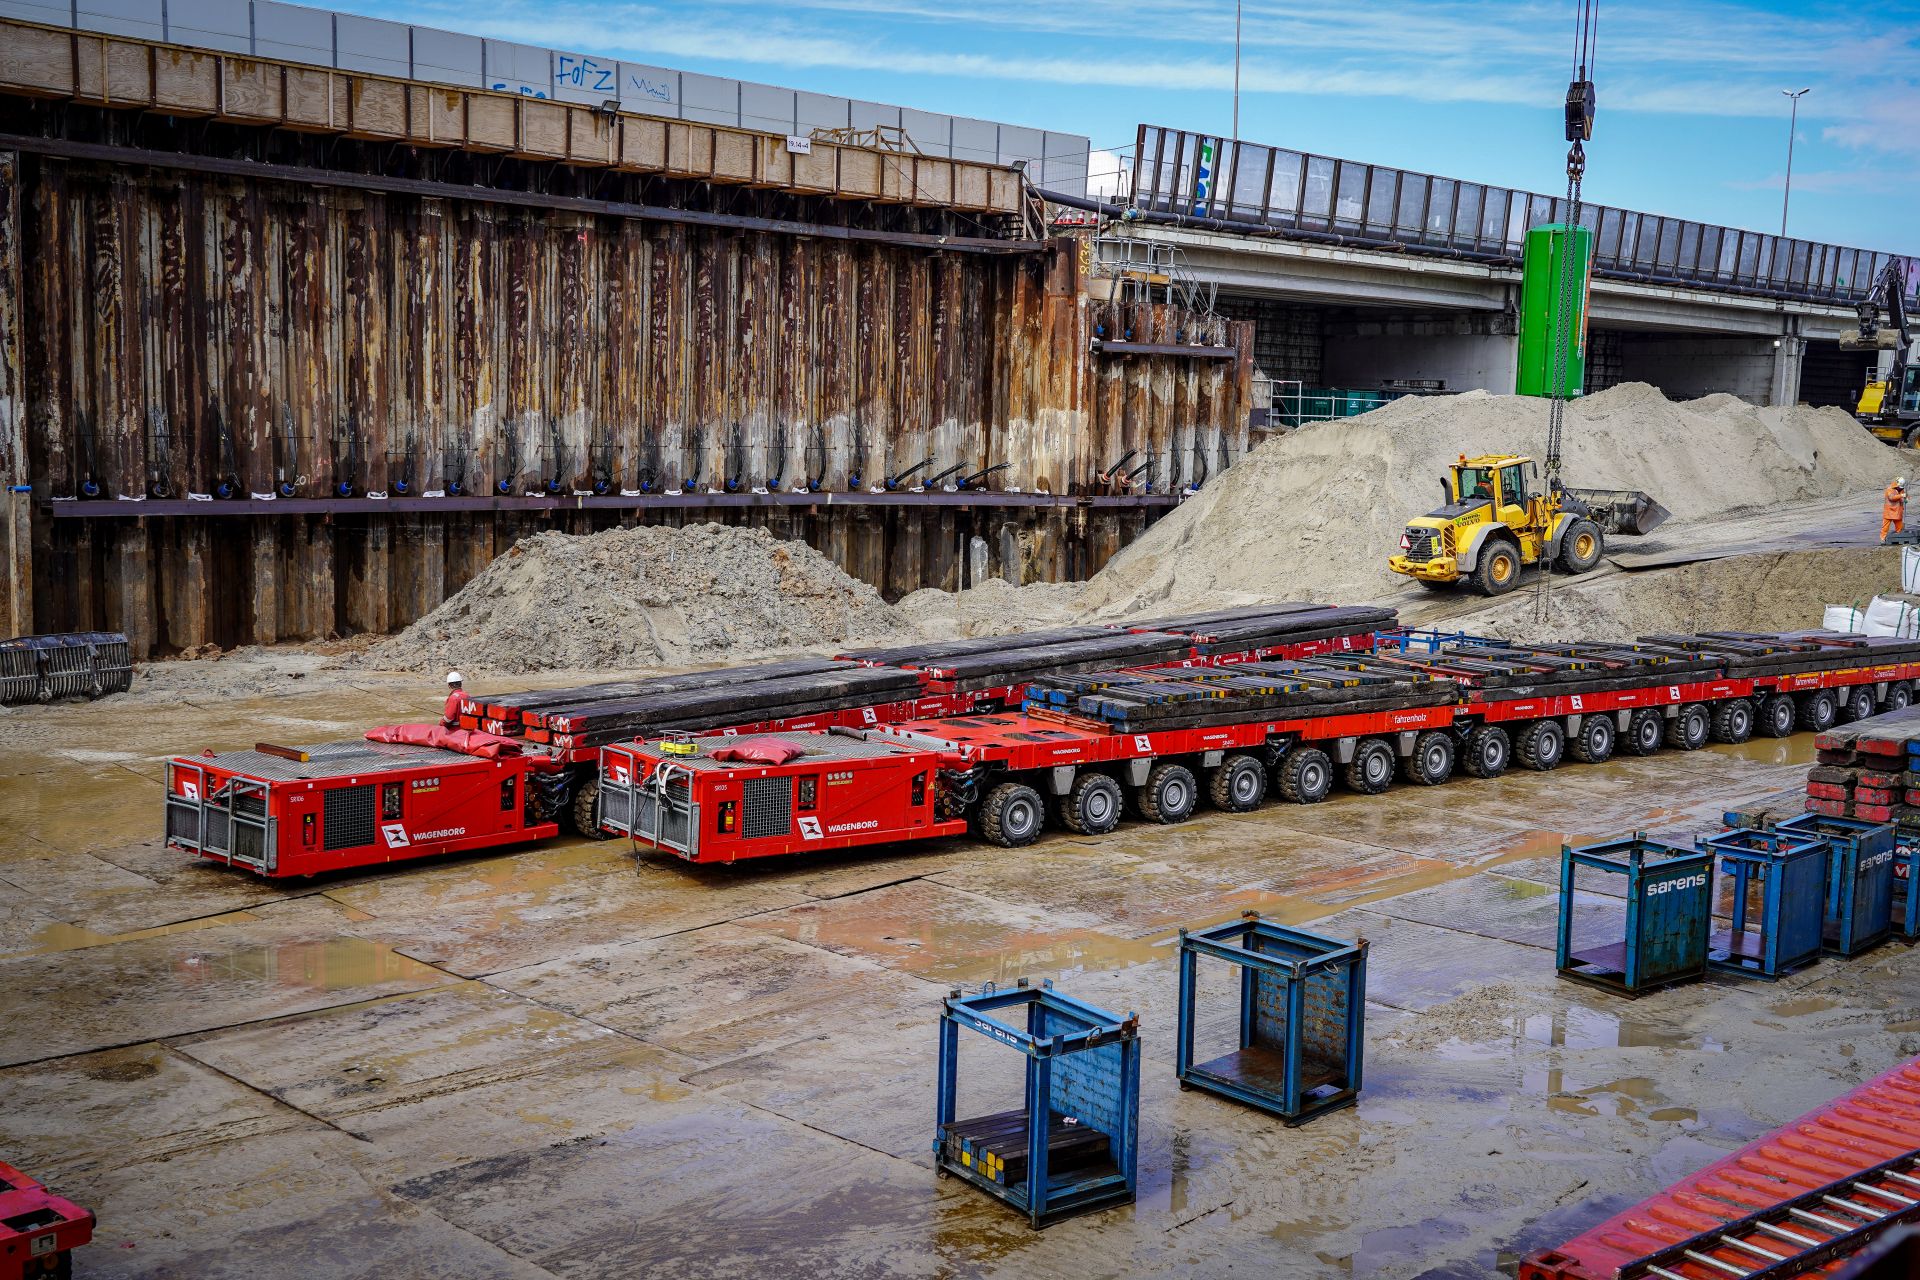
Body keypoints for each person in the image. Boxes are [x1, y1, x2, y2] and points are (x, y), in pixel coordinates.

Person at [1884, 477, 1907, 543]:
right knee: (1885, 527)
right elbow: (1892, 497)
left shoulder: (1901, 489)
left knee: (1899, 527)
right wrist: (1901, 496)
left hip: (1898, 512)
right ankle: (1883, 538)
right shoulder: (1890, 489)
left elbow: (1905, 496)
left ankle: (1899, 538)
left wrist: (1906, 498)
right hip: (1889, 511)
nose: (1900, 487)